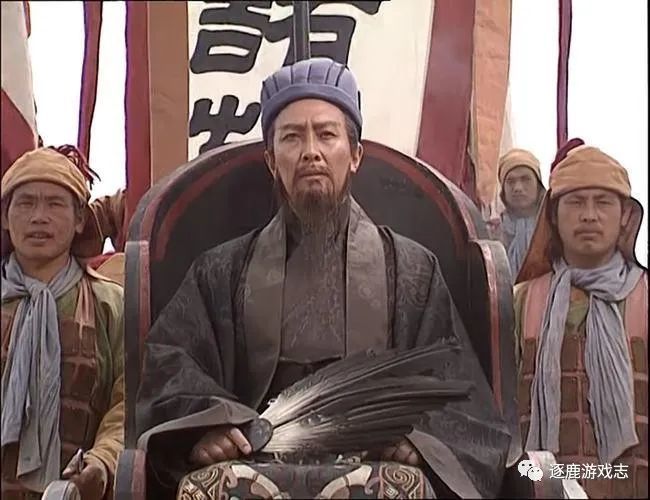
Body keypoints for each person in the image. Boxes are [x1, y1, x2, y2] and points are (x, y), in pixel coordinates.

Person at [135, 57, 511, 499]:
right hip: (251, 463)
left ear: (355, 156)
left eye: (326, 135)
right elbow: (170, 365)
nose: (310, 151)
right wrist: (209, 427)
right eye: (292, 137)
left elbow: (458, 390)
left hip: (375, 466)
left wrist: (422, 442)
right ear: (271, 161)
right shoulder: (222, 270)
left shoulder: (411, 270)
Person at [514, 139, 647, 498]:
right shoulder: (522, 301)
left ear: (626, 216)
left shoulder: (646, 298)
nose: (589, 215)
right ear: (553, 215)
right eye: (575, 202)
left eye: (603, 202)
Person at [1, 146, 125, 500]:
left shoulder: (109, 303)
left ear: (80, 219)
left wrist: (103, 461)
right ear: (5, 217)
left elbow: (129, 401)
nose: (39, 217)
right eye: (26, 203)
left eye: (55, 204)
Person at [491, 149, 545, 279]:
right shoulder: (491, 232)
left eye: (526, 179)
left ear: (538, 185)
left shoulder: (553, 227)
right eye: (510, 181)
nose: (518, 188)